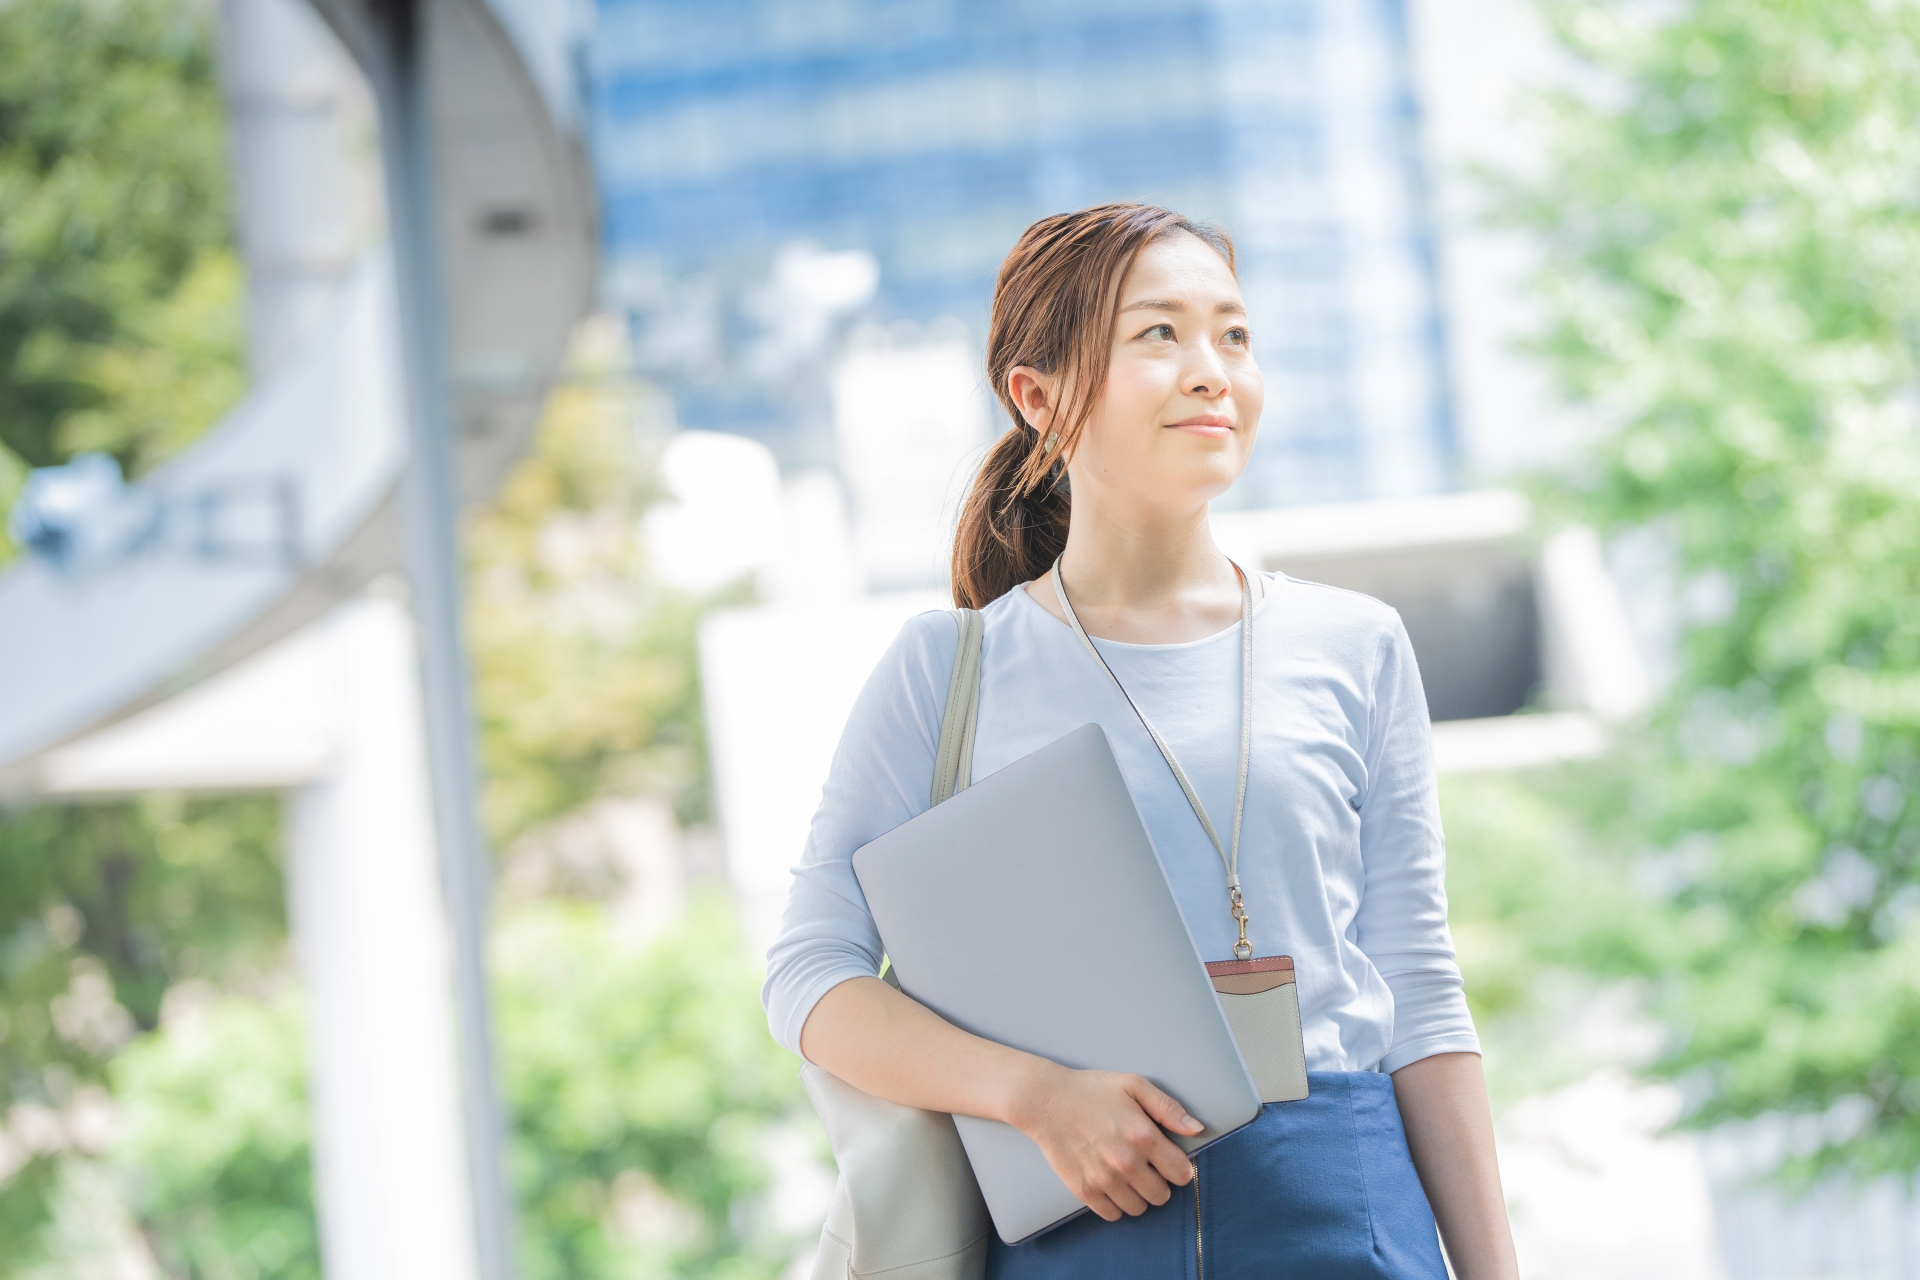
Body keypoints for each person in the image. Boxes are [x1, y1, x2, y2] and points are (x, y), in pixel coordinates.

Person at [763, 203, 1519, 1279]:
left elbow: (1420, 989)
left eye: (1235, 335)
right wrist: (1032, 1094)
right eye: (1159, 333)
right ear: (1039, 396)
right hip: (1081, 1222)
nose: (1212, 369)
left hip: (1348, 1218)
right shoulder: (948, 670)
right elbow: (808, 973)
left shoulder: (1355, 644)